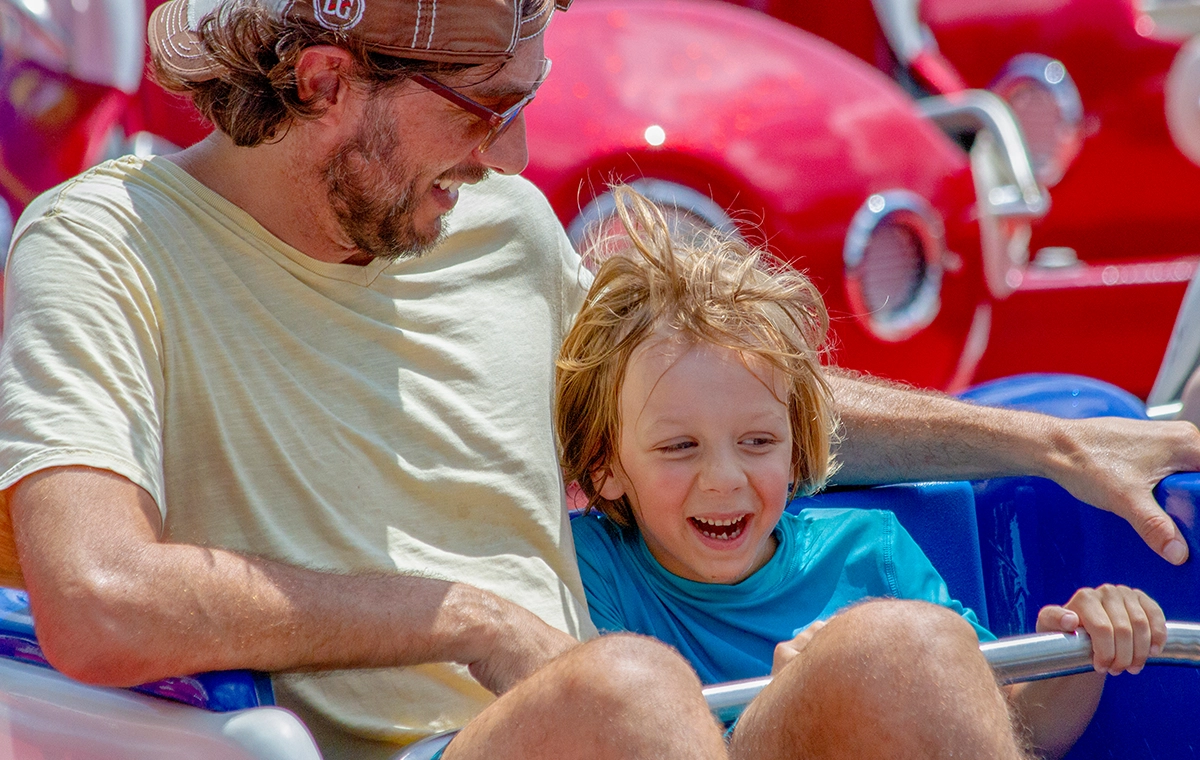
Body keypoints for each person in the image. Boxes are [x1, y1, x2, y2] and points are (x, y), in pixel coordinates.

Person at [0, 0, 1194, 756]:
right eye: (489, 106)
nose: (516, 155)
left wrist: (1042, 443)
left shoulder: (499, 222)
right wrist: (459, 617)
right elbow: (97, 600)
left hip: (653, 724)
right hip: (441, 740)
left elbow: (706, 402)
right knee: (622, 692)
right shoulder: (109, 244)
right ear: (321, 82)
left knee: (907, 648)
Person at [560, 185, 1168, 759]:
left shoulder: (868, 550)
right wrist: (815, 703)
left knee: (914, 646)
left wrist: (1079, 652)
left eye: (757, 441)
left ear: (797, 451)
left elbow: (1008, 726)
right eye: (679, 447)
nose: (724, 478)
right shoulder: (591, 569)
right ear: (605, 466)